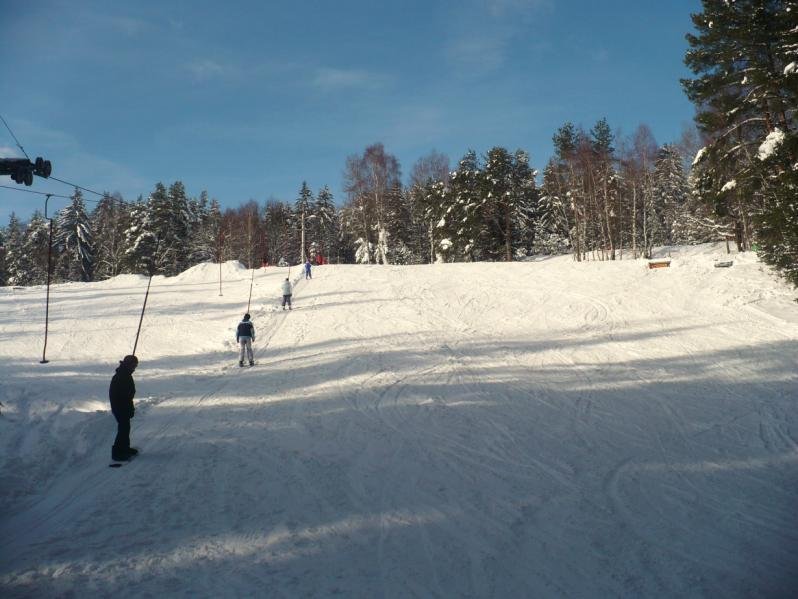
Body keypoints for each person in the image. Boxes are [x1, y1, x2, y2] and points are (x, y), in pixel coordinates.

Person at [109, 354, 138, 461]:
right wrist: (126, 407)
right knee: (123, 429)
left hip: (123, 406)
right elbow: (123, 394)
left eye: (136, 366)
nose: (135, 368)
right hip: (120, 407)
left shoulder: (125, 373)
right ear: (128, 364)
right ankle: (117, 453)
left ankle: (125, 448)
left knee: (126, 428)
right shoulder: (122, 375)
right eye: (134, 365)